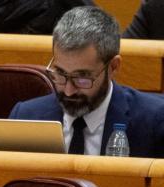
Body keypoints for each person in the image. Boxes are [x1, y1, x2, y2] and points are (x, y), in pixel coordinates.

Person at [9, 6, 164, 158]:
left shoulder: (154, 121)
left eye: (82, 78)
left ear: (113, 67)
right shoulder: (25, 117)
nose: (68, 91)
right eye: (60, 73)